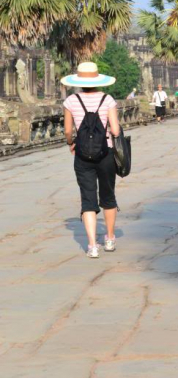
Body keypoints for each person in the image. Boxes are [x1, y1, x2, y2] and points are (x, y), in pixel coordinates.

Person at [62, 62, 121, 259]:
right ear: (98, 80)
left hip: (81, 155)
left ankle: (92, 245)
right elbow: (115, 130)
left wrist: (71, 142)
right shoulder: (108, 99)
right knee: (108, 196)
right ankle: (110, 239)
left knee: (88, 198)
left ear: (78, 81)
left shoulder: (71, 100)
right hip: (106, 154)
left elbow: (68, 131)